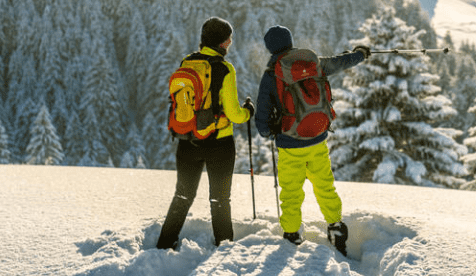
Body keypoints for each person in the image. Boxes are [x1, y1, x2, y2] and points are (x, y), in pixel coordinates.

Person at [255, 25, 369, 255]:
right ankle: (335, 226)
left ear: (270, 48)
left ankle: (292, 233)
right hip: (318, 139)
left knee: (291, 192)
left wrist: (269, 132)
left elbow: (262, 117)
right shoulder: (314, 62)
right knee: (325, 185)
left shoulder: (272, 74)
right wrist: (361, 54)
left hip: (289, 144)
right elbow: (341, 62)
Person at [157, 17, 255, 250]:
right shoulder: (224, 68)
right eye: (227, 38)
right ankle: (224, 247)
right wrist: (248, 112)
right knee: (219, 200)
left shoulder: (187, 62)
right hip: (219, 144)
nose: (230, 41)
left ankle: (164, 244)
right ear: (220, 42)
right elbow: (233, 113)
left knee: (182, 196)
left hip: (187, 141)